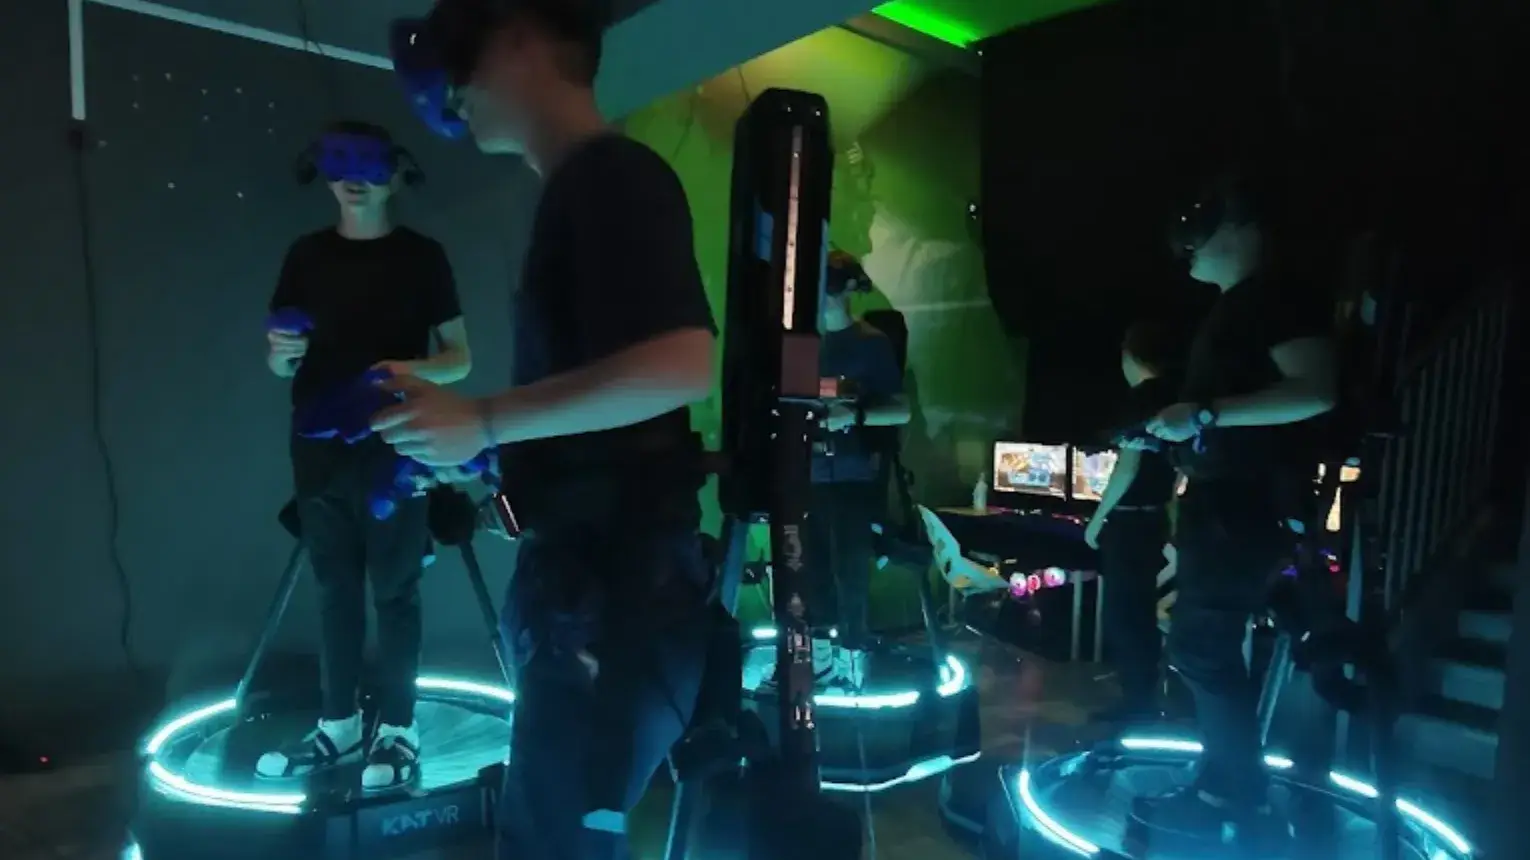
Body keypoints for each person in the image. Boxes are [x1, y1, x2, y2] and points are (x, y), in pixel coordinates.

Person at [380, 2, 716, 858]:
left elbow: (684, 363)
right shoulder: (585, 188)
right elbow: (609, 415)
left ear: (520, 36)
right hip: (597, 600)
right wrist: (483, 449)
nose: (451, 88)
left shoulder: (612, 177)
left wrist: (484, 419)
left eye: (465, 55)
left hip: (612, 608)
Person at [257, 121, 472, 791]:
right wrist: (280, 354)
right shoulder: (305, 255)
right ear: (321, 171)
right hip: (318, 445)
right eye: (340, 166)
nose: (354, 180)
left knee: (396, 587)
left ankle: (399, 729)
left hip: (398, 438)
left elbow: (459, 359)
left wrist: (393, 371)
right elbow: (279, 360)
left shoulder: (422, 256)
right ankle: (340, 726)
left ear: (396, 174)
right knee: (335, 586)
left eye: (369, 167)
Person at [1131, 172, 1337, 846]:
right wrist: (1183, 423)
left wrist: (1204, 413)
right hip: (1229, 503)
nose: (1186, 245)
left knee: (1201, 647)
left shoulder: (1274, 298)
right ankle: (1226, 788)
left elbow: (1316, 390)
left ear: (1246, 226)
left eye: (1203, 225)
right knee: (1203, 647)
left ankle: (1232, 797)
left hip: (1243, 506)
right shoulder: (1242, 306)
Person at [800, 251, 911, 689]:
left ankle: (851, 657)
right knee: (809, 570)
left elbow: (900, 409)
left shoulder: (871, 343)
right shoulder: (801, 344)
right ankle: (821, 659)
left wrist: (856, 416)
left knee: (849, 570)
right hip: (806, 473)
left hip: (852, 474)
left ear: (849, 286)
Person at [1082, 319, 1182, 726]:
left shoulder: (1143, 398)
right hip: (1155, 519)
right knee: (1141, 612)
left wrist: (1097, 518)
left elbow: (1128, 465)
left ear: (1131, 356)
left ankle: (1136, 704)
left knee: (1124, 616)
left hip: (1128, 525)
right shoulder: (1177, 395)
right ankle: (1144, 698)